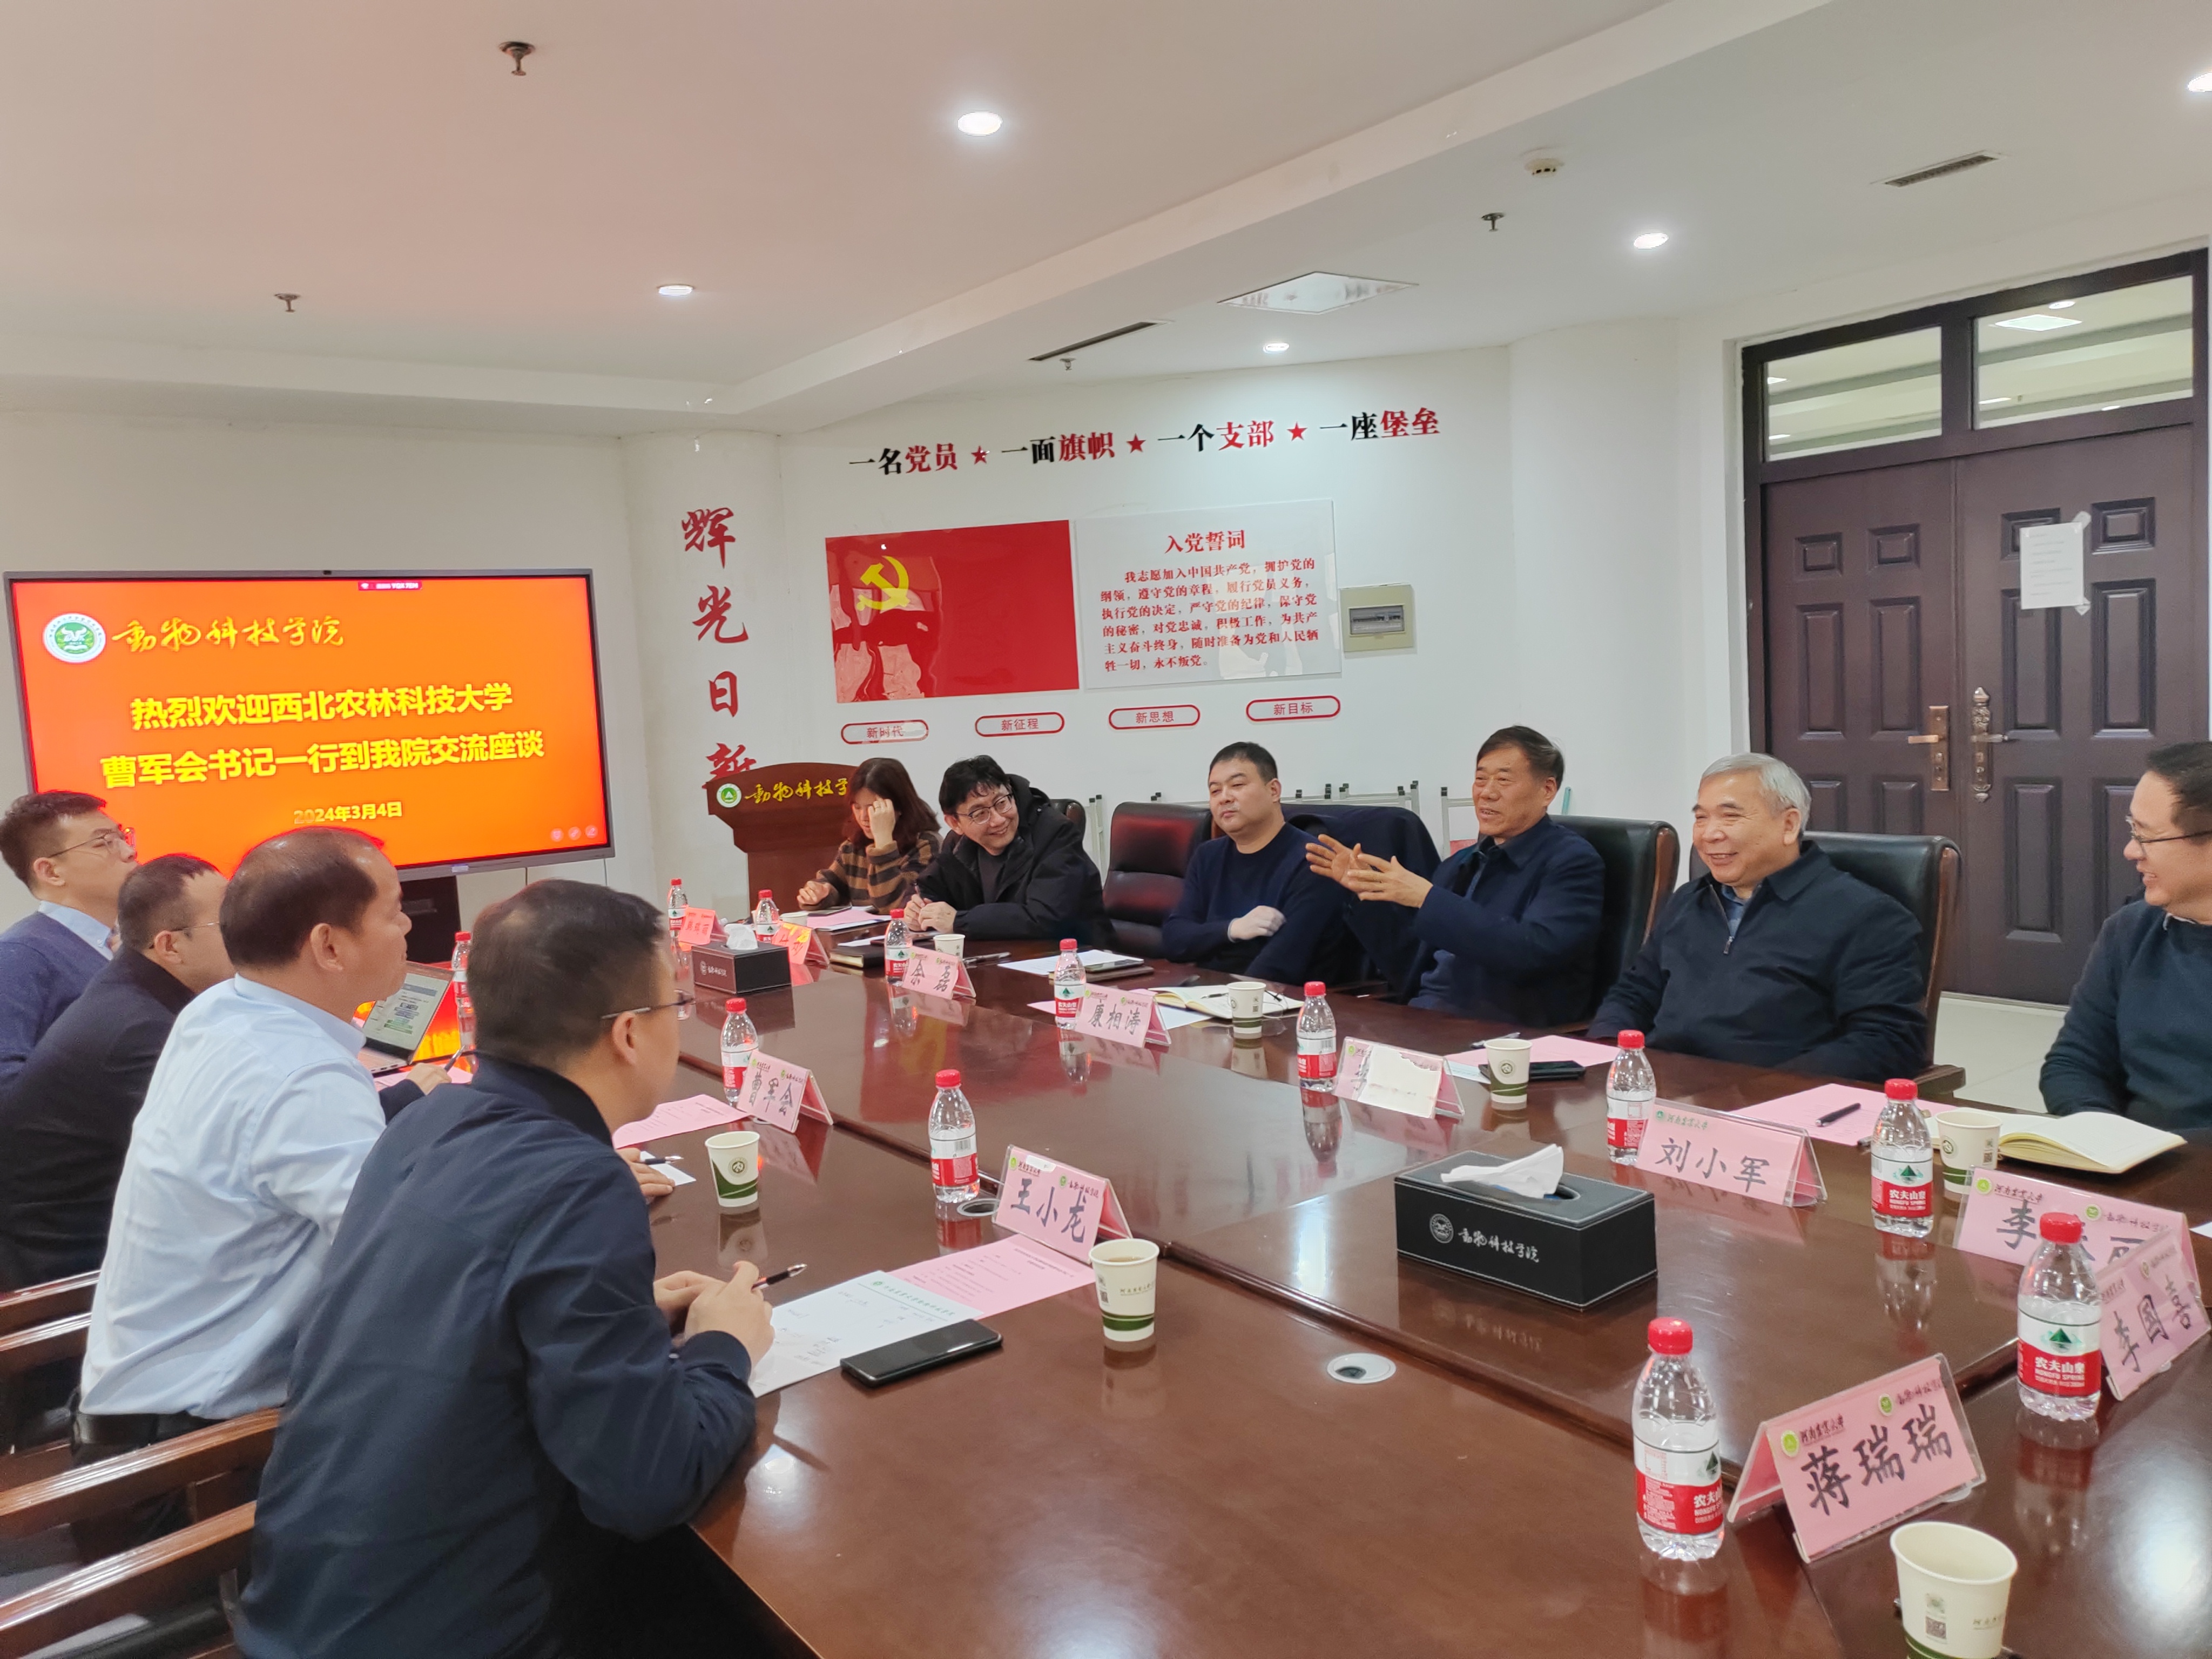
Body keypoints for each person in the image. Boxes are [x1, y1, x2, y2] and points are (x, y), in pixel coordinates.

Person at [238, 881, 772, 1659]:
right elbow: (646, 1483)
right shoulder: (580, 1181)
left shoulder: (430, 1120)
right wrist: (724, 1348)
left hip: (302, 1609)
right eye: (675, 1006)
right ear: (629, 1033)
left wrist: (628, 1315)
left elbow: (459, 1318)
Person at [72, 828, 450, 1460]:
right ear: (329, 946)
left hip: (140, 1399)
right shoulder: (300, 1072)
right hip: (193, 1453)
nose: (408, 925)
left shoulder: (223, 1008)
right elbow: (403, 1256)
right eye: (393, 911)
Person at [1588, 754, 1926, 1084]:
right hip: (1664, 1090)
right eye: (1701, 818)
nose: (1709, 834)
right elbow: (1636, 992)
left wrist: (1765, 1087)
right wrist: (1608, 1056)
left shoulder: (1866, 916)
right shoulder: (1689, 900)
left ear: (1789, 825)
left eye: (1730, 816)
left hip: (1773, 1099)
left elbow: (1887, 1040)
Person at [0, 855, 233, 1291]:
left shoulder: (136, 991)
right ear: (170, 946)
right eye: (228, 924)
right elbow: (233, 1156)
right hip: (73, 1277)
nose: (248, 936)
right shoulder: (139, 1031)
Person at [1307, 726, 1604, 1024]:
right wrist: (1365, 893)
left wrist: (1427, 899)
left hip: (1502, 1029)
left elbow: (1532, 952)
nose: (1487, 793)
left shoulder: (1572, 861)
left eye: (1503, 780)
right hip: (1425, 1017)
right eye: (1481, 779)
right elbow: (1407, 966)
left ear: (1547, 790)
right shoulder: (1460, 863)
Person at [2040, 741, 2212, 1132]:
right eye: (2133, 831)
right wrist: (2105, 1136)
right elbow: (2075, 1063)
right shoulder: (2132, 930)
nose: (2131, 851)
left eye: (2147, 836)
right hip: (2135, 1158)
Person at [1163, 741, 1350, 984]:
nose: (1224, 798)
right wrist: (1233, 929)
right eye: (1215, 791)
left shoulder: (1314, 861)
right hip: (1209, 992)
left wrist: (1226, 998)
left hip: (1280, 998)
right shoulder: (1208, 856)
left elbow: (1280, 966)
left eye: (1237, 785)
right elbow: (1175, 940)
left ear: (1273, 791)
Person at [0, 790, 139, 1087]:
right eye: (104, 843)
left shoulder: (128, 946)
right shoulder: (19, 956)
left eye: (122, 837)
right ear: (51, 872)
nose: (129, 852)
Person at [905, 756, 1111, 946]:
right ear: (955, 823)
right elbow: (928, 888)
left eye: (1002, 803)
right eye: (980, 813)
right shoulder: (959, 843)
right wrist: (919, 910)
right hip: (1002, 957)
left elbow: (1046, 916)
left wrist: (960, 921)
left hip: (1074, 957)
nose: (998, 820)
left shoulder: (1055, 833)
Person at [795, 757, 942, 911]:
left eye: (873, 807)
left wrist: (883, 842)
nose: (863, 817)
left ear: (899, 807)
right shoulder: (853, 846)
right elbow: (834, 884)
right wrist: (819, 893)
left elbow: (892, 904)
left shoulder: (926, 844)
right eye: (857, 807)